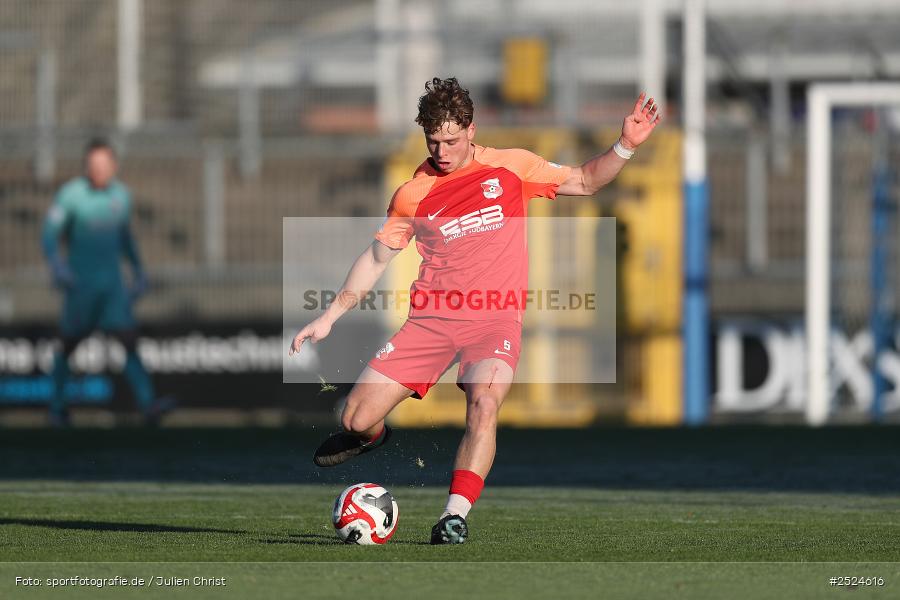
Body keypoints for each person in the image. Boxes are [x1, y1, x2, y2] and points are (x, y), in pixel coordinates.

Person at [290, 78, 659, 544]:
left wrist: (626, 145)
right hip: (431, 324)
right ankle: (370, 437)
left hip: (494, 321)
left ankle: (454, 516)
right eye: (433, 141)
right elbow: (376, 259)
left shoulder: (512, 167)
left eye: (451, 140)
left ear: (471, 130)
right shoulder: (413, 194)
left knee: (484, 404)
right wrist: (329, 316)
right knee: (354, 419)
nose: (441, 151)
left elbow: (585, 180)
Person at [42, 138, 171, 427]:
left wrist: (138, 270)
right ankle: (57, 407)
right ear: (85, 166)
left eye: (103, 164)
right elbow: (49, 234)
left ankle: (148, 404)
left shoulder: (122, 197)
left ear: (114, 166)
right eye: (92, 164)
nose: (97, 169)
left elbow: (125, 238)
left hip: (113, 288)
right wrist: (57, 265)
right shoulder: (71, 195)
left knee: (128, 342)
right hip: (80, 287)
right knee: (68, 345)